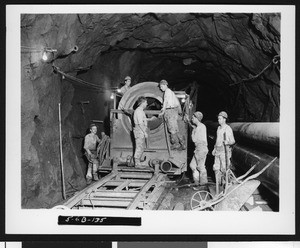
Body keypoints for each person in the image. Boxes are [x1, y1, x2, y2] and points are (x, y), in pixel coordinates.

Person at [158, 79, 186, 150]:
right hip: (174, 111)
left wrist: (163, 111)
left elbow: (166, 102)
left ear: (165, 85)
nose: (160, 88)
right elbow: (177, 103)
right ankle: (183, 144)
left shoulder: (167, 92)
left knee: (171, 129)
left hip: (170, 112)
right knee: (176, 129)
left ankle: (176, 144)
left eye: (161, 86)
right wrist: (179, 111)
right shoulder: (171, 92)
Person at [212, 111, 235, 185]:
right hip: (217, 150)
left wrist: (227, 142)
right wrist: (214, 148)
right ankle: (218, 185)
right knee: (216, 168)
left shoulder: (228, 128)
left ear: (224, 119)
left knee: (224, 169)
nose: (218, 120)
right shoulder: (218, 128)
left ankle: (226, 184)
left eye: (220, 119)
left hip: (224, 151)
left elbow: (233, 141)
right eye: (218, 119)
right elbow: (217, 140)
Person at [133, 96, 155, 167]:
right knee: (139, 147)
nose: (147, 104)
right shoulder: (138, 111)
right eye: (145, 102)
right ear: (142, 103)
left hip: (140, 130)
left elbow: (143, 120)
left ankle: (138, 162)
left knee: (141, 147)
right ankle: (137, 163)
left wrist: (150, 119)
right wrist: (144, 132)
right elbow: (140, 123)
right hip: (139, 131)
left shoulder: (141, 111)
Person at [188, 111, 208, 185]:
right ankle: (196, 182)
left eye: (193, 118)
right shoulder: (200, 127)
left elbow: (194, 139)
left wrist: (193, 131)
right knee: (192, 165)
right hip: (198, 149)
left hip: (201, 149)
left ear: (197, 118)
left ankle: (203, 184)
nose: (192, 119)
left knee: (201, 167)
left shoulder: (200, 127)